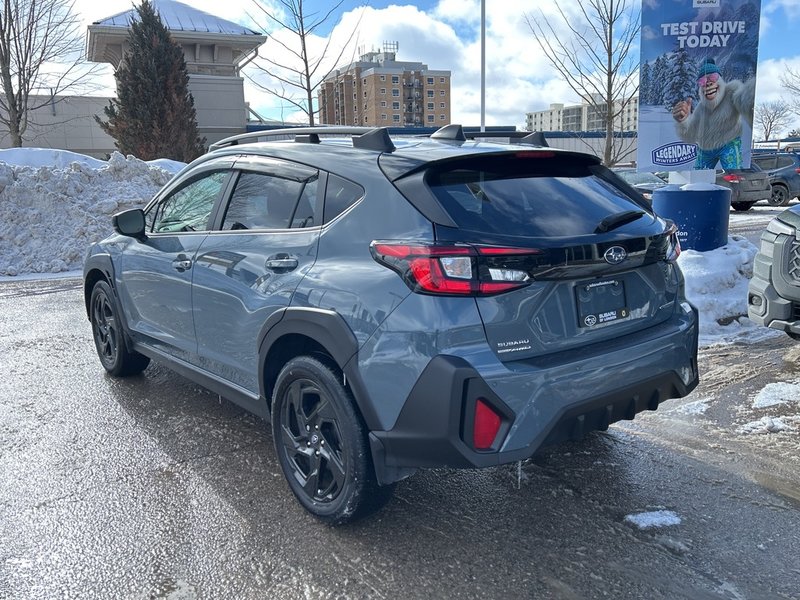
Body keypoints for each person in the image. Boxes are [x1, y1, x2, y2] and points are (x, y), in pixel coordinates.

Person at [671, 58, 755, 169]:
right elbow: (690, 135)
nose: (708, 83)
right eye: (703, 81)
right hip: (705, 148)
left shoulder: (731, 91)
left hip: (728, 143)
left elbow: (744, 100)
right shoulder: (701, 108)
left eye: (713, 77)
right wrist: (683, 121)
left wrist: (751, 93)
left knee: (734, 175)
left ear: (720, 79)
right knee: (697, 178)